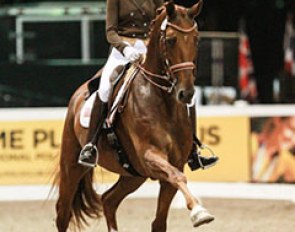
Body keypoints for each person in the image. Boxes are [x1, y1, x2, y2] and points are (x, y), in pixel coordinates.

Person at [78, 0, 218, 170]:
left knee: (188, 94)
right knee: (105, 88)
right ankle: (90, 145)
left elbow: (165, 18)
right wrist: (125, 49)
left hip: (149, 49)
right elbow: (111, 33)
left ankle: (193, 151)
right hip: (122, 51)